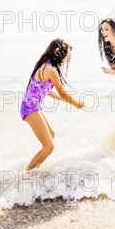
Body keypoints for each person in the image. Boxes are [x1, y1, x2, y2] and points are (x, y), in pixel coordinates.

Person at [20, 38, 84, 169]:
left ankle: (36, 164)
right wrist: (77, 104)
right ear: (58, 53)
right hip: (30, 109)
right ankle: (27, 175)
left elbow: (41, 88)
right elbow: (63, 93)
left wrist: (57, 97)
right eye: (66, 56)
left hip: (32, 107)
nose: (66, 59)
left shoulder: (45, 64)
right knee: (49, 147)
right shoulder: (51, 70)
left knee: (51, 135)